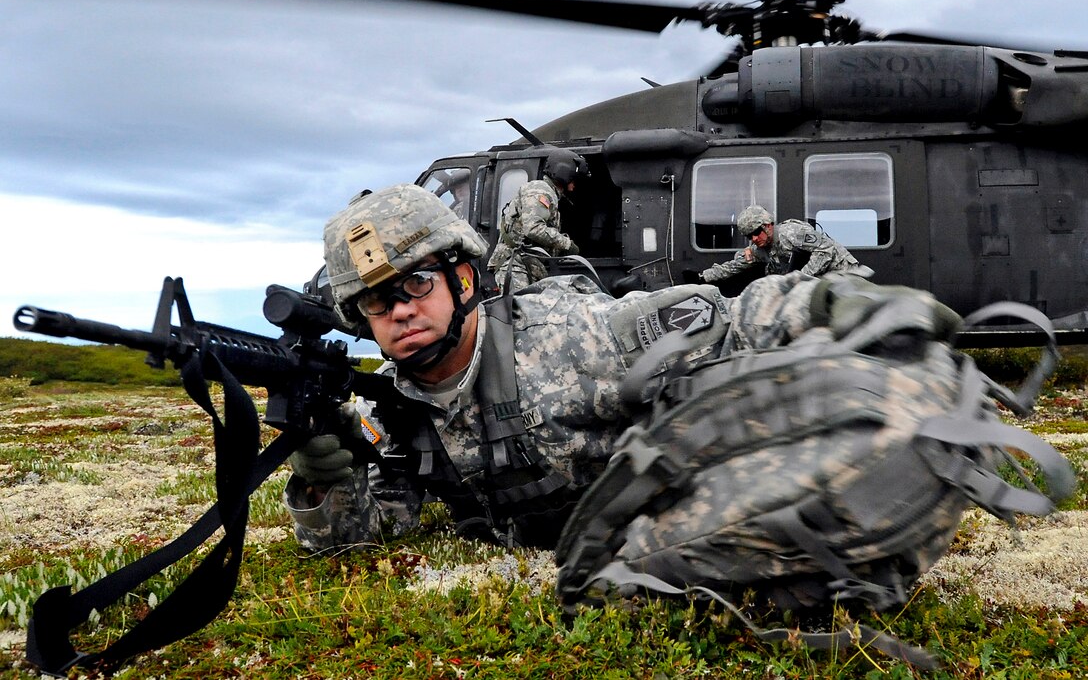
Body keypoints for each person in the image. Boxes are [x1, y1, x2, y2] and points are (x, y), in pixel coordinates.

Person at [283, 184, 952, 552]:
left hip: (665, 516)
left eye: (415, 284)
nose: (399, 310)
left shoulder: (568, 336)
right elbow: (375, 528)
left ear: (463, 279)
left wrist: (829, 300)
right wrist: (323, 481)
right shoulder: (392, 410)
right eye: (377, 299)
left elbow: (724, 321)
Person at [486, 148, 588, 292]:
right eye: (573, 179)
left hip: (526, 265)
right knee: (519, 311)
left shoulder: (549, 193)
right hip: (514, 264)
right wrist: (566, 244)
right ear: (564, 173)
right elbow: (533, 228)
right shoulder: (540, 191)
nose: (574, 185)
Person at [698, 204, 873, 284]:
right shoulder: (758, 250)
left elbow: (826, 249)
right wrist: (703, 277)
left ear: (768, 226)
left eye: (756, 233)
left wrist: (799, 278)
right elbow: (735, 266)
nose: (754, 239)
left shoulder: (791, 233)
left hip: (842, 272)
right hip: (820, 281)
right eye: (749, 236)